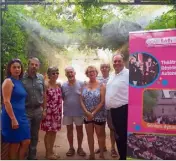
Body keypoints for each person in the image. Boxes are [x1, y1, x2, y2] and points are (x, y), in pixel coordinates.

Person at [1, 59, 30, 159]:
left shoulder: (19, 82)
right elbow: (6, 101)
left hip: (22, 115)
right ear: (9, 69)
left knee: (26, 141)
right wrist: (13, 119)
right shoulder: (8, 81)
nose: (17, 69)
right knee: (15, 143)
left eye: (19, 67)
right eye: (14, 67)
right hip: (11, 116)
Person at [105, 53, 129, 160]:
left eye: (119, 61)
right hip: (113, 111)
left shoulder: (129, 73)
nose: (117, 63)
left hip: (123, 110)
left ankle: (124, 157)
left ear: (123, 62)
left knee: (122, 136)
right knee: (117, 135)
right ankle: (122, 156)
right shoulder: (112, 75)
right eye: (115, 61)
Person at [22, 57, 46, 160]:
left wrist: (44, 109)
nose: (34, 66)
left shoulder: (41, 78)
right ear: (28, 65)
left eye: (36, 65)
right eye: (32, 64)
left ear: (38, 66)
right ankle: (24, 154)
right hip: (25, 110)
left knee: (35, 135)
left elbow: (44, 94)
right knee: (25, 134)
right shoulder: (21, 77)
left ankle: (32, 156)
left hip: (37, 110)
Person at [80, 65, 106, 159]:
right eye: (89, 72)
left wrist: (93, 113)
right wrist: (86, 112)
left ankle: (102, 154)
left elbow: (102, 101)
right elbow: (81, 100)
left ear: (96, 73)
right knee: (89, 135)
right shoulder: (84, 85)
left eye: (93, 71)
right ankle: (92, 154)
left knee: (100, 135)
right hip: (87, 115)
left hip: (99, 114)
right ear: (87, 74)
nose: (91, 73)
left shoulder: (101, 85)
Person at [61, 66, 86, 157]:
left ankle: (80, 148)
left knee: (80, 131)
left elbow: (84, 97)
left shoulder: (81, 83)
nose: (70, 74)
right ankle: (71, 148)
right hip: (68, 112)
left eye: (71, 72)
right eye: (68, 73)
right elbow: (63, 97)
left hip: (79, 112)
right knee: (69, 130)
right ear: (66, 74)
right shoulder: (63, 85)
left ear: (74, 73)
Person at [96, 63, 118, 158]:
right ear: (100, 69)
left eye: (106, 67)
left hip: (110, 107)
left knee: (112, 128)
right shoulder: (97, 79)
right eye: (102, 67)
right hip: (100, 108)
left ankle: (113, 148)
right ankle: (103, 146)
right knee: (100, 129)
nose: (104, 68)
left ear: (109, 68)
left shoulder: (114, 78)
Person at [41, 67, 62, 159]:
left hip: (57, 112)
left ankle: (51, 151)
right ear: (49, 74)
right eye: (53, 73)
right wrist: (44, 111)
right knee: (48, 132)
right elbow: (44, 99)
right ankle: (47, 153)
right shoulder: (46, 85)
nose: (55, 75)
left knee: (54, 132)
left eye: (57, 73)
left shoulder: (58, 85)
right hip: (49, 112)